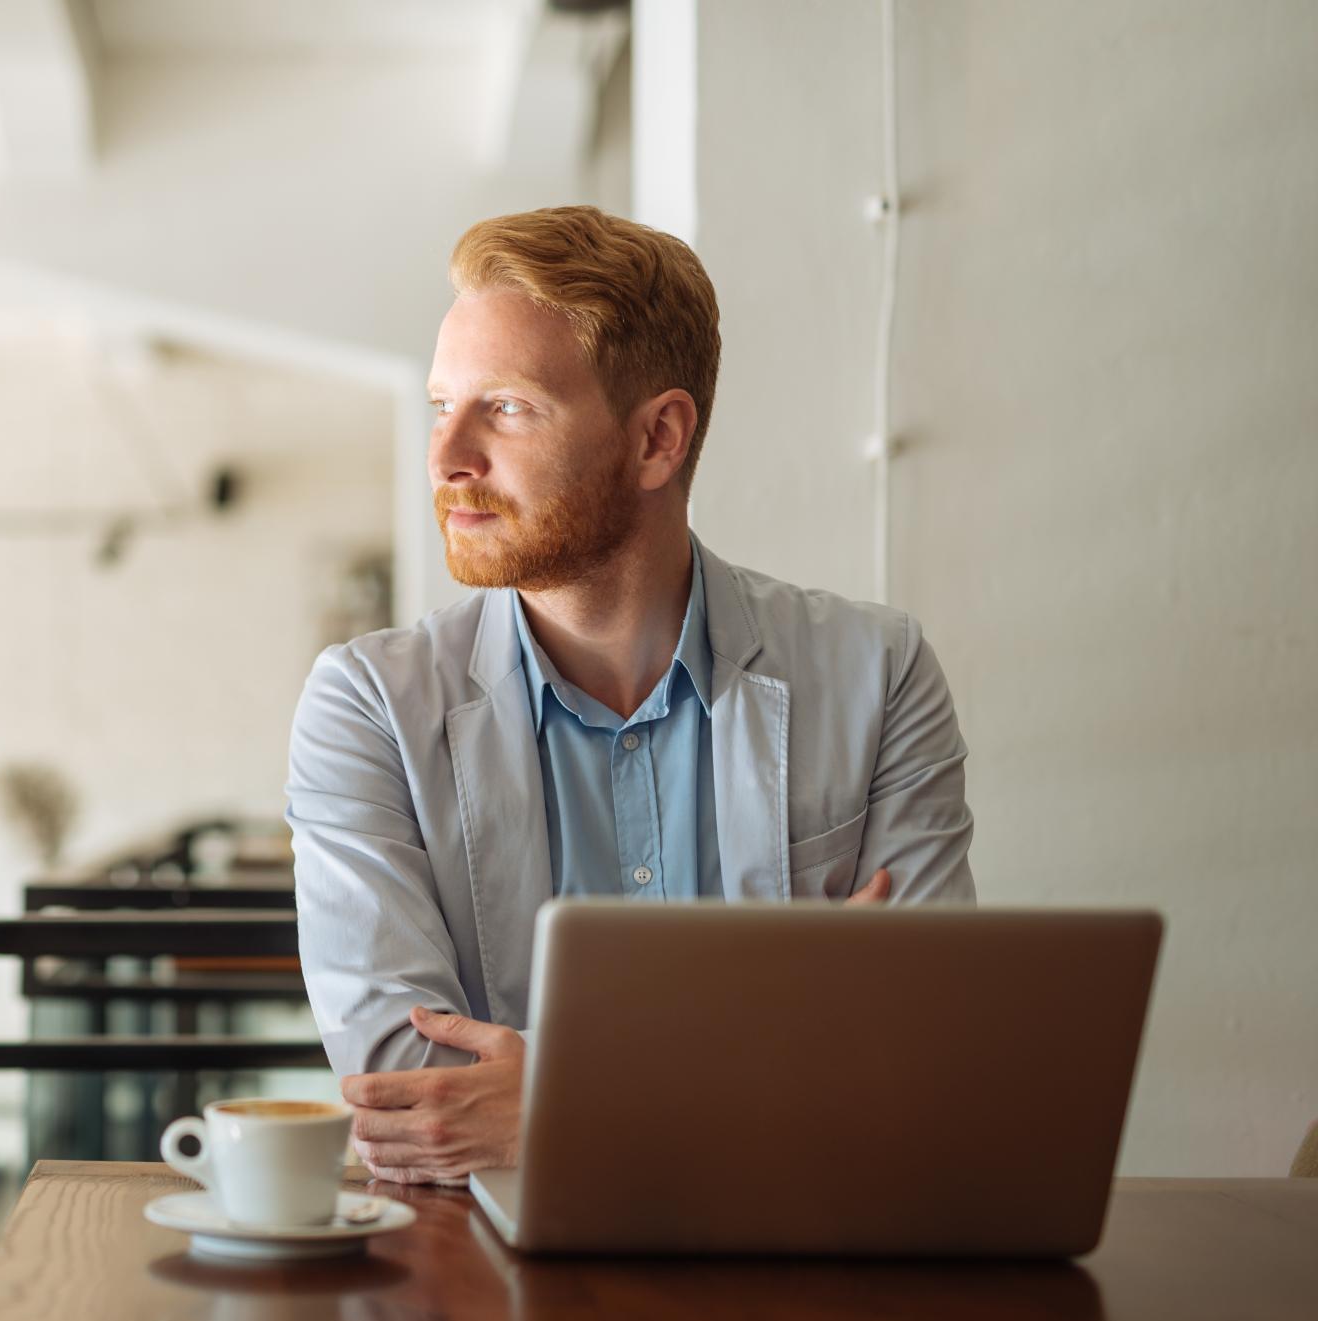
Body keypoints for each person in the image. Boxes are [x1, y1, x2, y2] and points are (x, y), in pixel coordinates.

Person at [285, 206, 975, 1185]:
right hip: (485, 1287)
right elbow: (414, 1092)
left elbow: (922, 1056)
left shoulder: (880, 672)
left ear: (658, 439)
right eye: (443, 405)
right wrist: (776, 1067)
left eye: (508, 408)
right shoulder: (367, 706)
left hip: (803, 1267)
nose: (447, 459)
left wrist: (561, 1106)